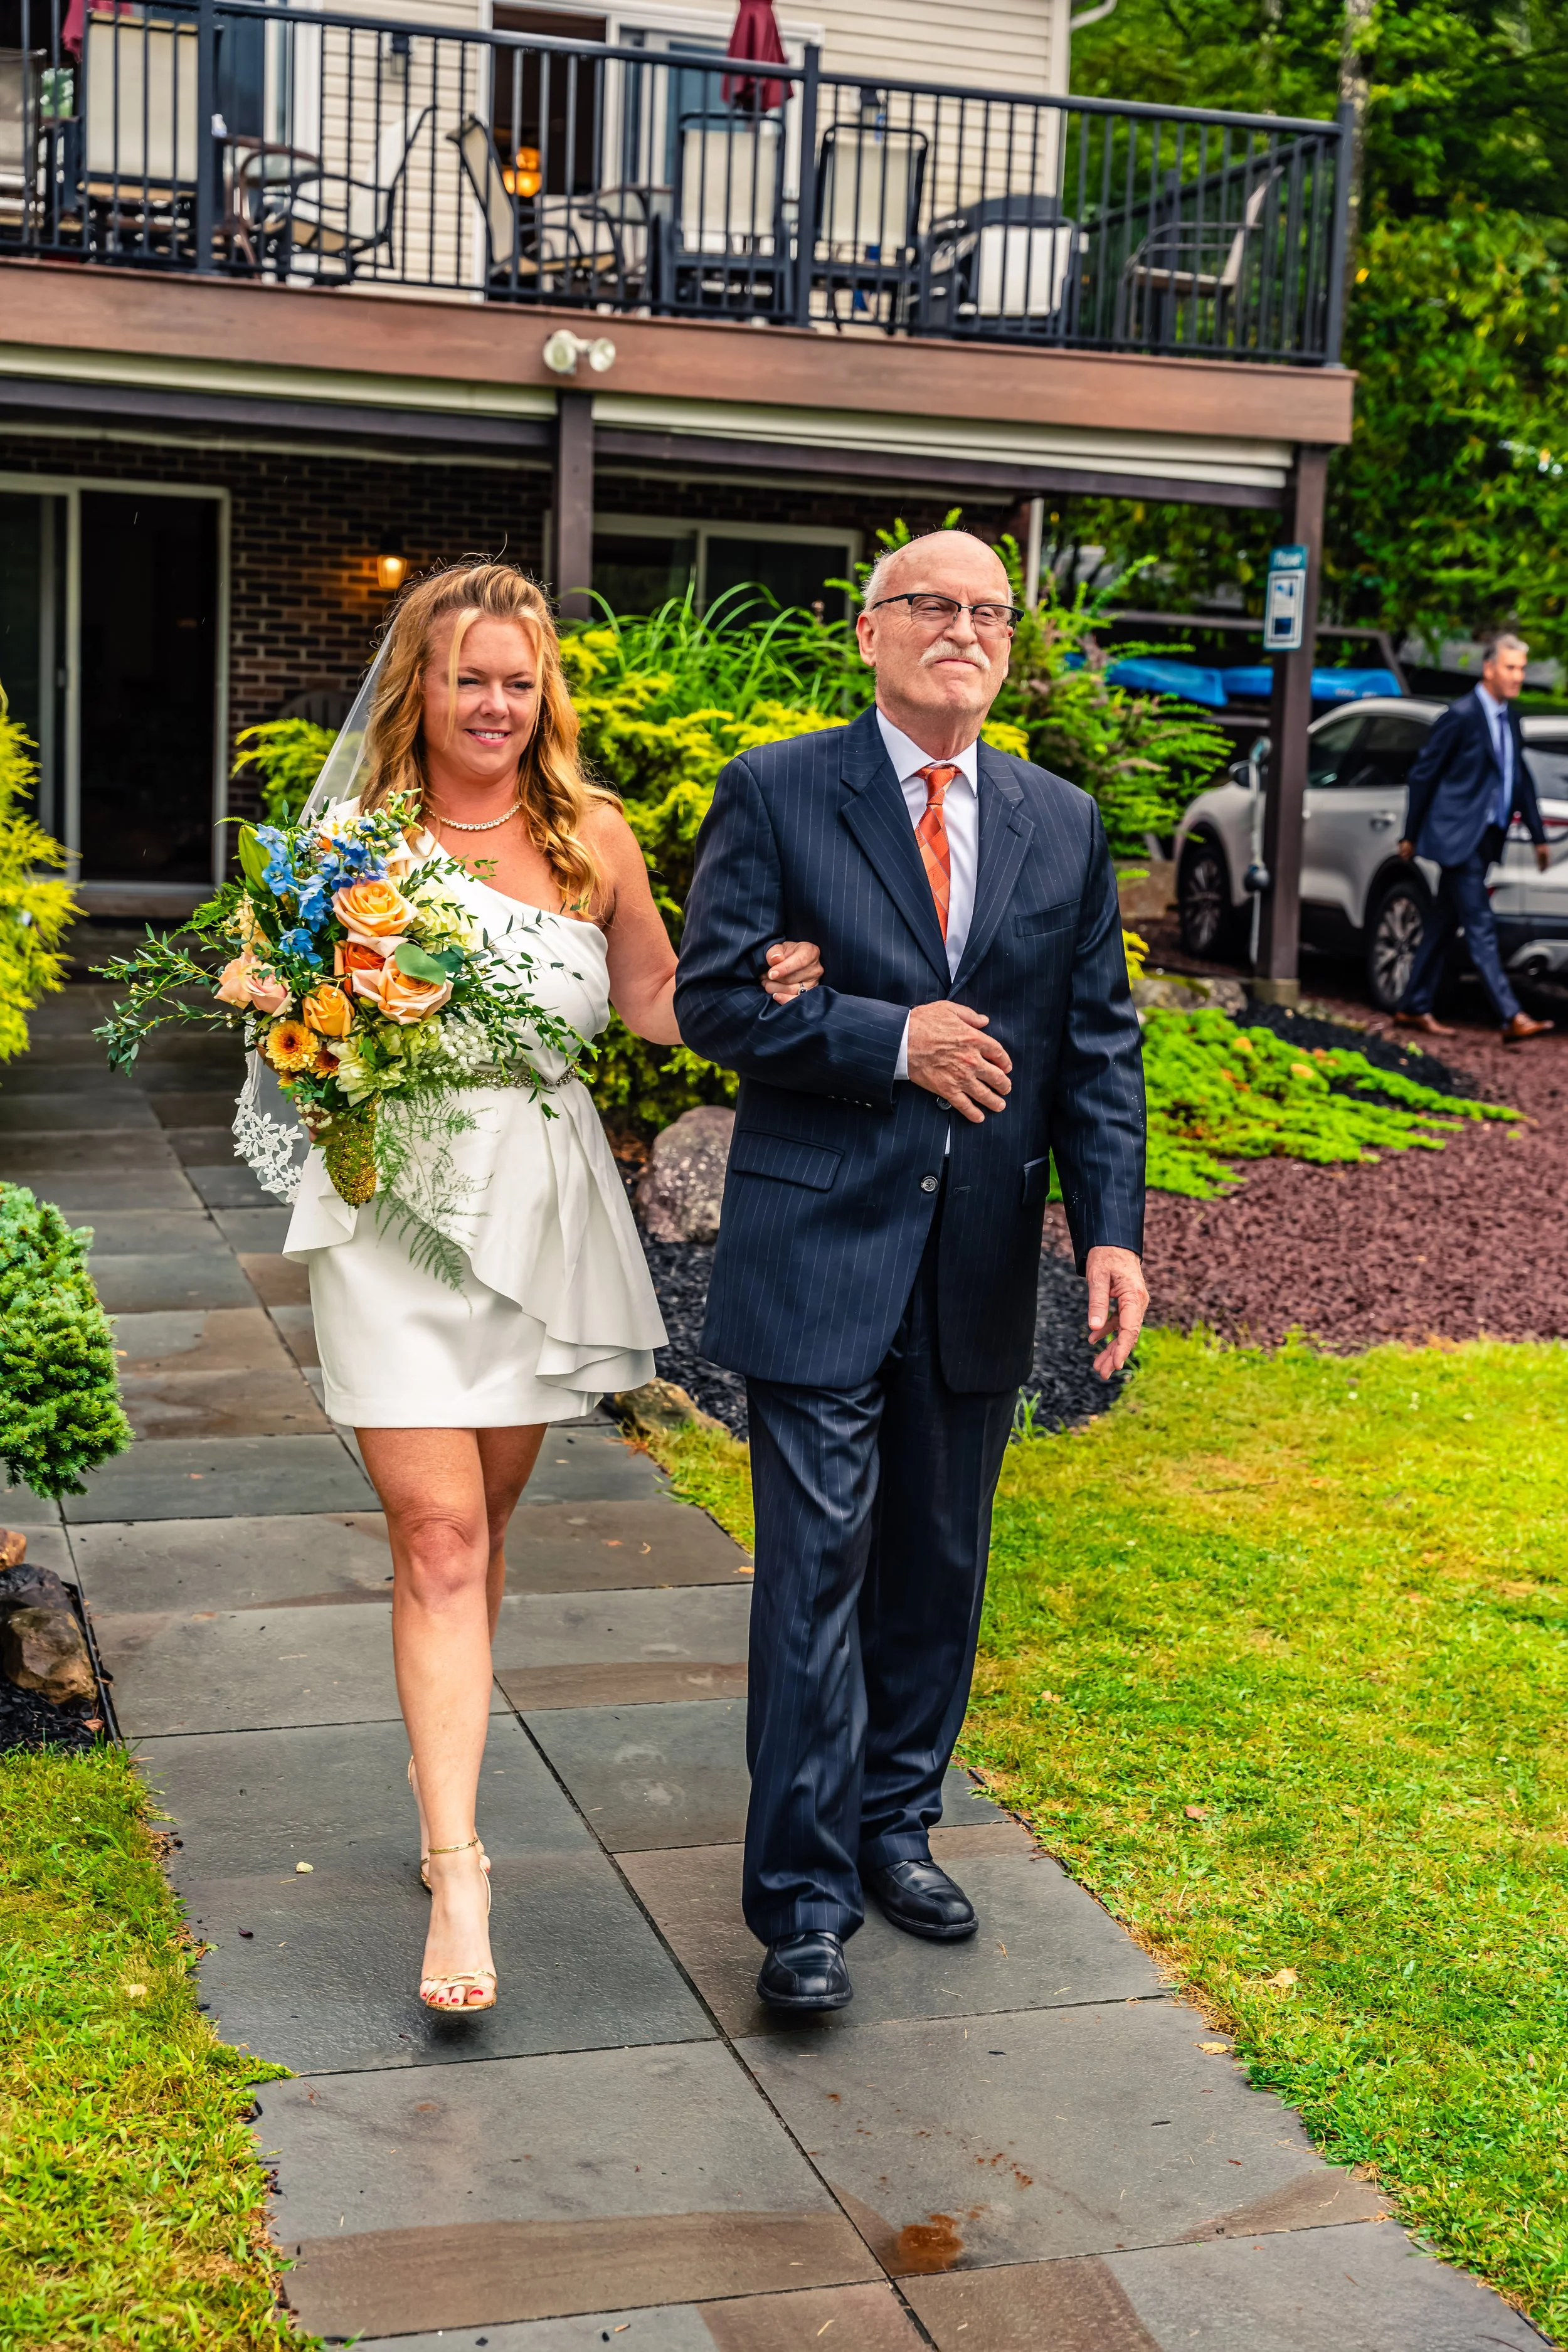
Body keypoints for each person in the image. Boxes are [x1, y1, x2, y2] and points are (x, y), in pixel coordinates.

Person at [282, 563, 823, 2014]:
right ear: (423, 684)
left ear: (545, 694)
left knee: (488, 1520)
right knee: (440, 1532)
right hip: (396, 1204)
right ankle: (460, 1869)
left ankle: (435, 1765)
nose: (497, 704)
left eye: (520, 680)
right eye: (471, 676)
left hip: (538, 1202)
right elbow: (295, 1015)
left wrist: (767, 991)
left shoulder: (592, 836)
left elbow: (655, 1000)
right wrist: (304, 1020)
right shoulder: (359, 841)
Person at [674, 529, 1148, 2013]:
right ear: (870, 634)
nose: (963, 628)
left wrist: (1114, 1227)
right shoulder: (777, 788)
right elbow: (710, 1000)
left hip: (982, 1253)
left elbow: (1096, 1042)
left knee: (939, 1565)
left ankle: (894, 1823)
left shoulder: (1058, 821)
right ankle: (802, 1902)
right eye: (932, 605)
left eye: (988, 611)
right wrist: (891, 1035)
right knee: (815, 1575)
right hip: (818, 1243)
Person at [1396, 630, 1553, 1043]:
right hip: (1457, 836)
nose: (1517, 677)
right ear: (1489, 669)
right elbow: (1424, 774)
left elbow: (1520, 781)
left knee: (1443, 923)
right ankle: (1510, 1014)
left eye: (1521, 669)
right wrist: (1410, 833)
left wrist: (1538, 837)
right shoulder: (1462, 715)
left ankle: (1413, 1006)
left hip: (1487, 837)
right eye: (1510, 668)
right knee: (1479, 924)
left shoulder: (1510, 720)